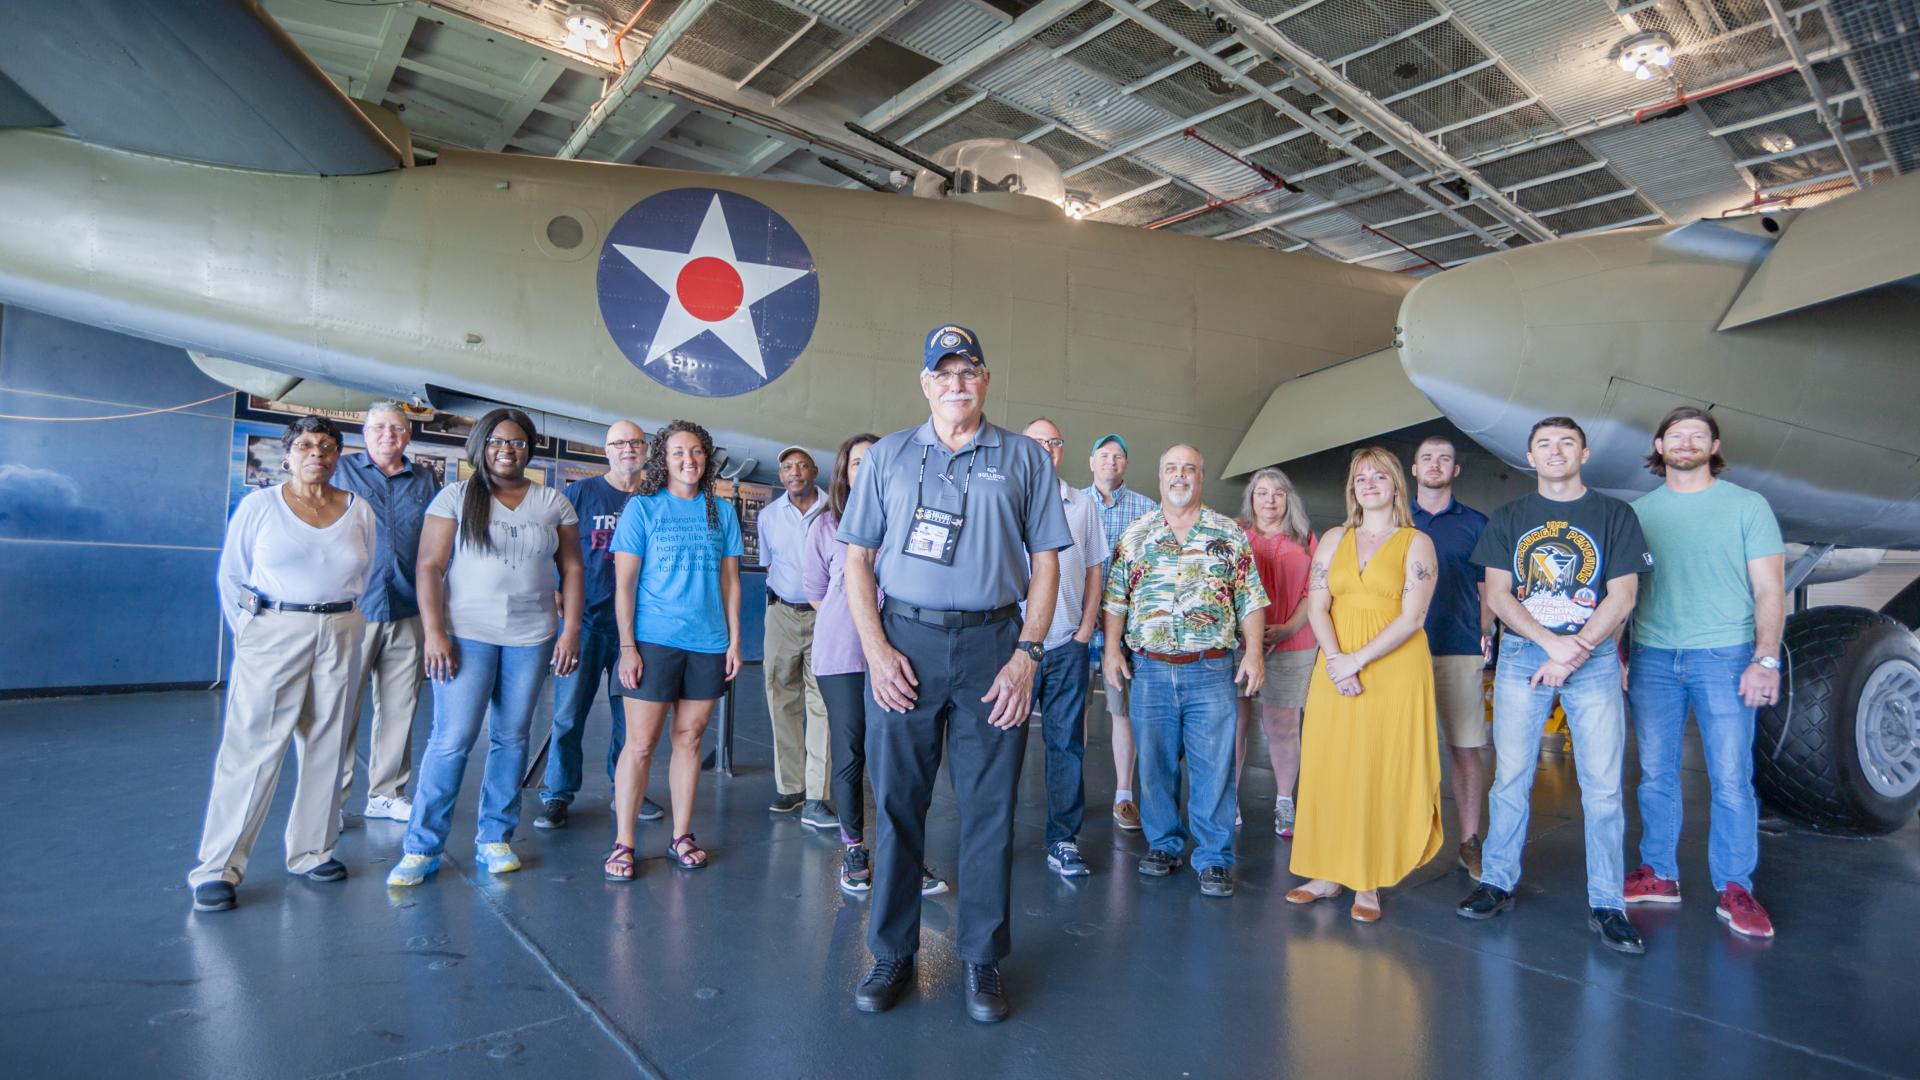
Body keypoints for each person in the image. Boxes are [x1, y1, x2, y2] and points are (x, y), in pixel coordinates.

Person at [839, 324, 1070, 1023]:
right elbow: (856, 559)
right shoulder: (887, 458)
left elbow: (1049, 561)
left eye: (968, 370)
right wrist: (877, 651)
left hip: (992, 645)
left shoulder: (1026, 457)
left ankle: (981, 958)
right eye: (943, 373)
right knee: (900, 804)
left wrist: (1027, 656)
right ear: (925, 384)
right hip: (905, 641)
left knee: (990, 809)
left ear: (986, 379)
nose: (956, 383)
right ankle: (891, 952)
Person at [1457, 417, 1652, 956]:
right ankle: (1496, 881)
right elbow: (1498, 595)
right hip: (1526, 655)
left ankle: (1607, 902)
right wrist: (1551, 644)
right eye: (1544, 444)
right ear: (1530, 457)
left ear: (1584, 453)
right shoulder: (1511, 517)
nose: (1556, 451)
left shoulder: (1614, 515)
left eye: (1567, 442)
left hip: (1588, 659)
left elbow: (1624, 594)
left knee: (1604, 787)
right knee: (1511, 778)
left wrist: (1577, 651)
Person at [388, 408, 584, 886]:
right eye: (497, 441)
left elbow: (574, 569)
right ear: (481, 445)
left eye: (517, 442)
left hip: (531, 638)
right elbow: (430, 567)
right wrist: (435, 632)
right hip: (465, 635)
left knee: (512, 738)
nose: (506, 450)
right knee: (452, 739)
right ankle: (421, 848)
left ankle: (494, 837)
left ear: (529, 449)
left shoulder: (552, 501)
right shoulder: (455, 496)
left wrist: (571, 629)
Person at [190, 415, 376, 912]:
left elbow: (364, 569)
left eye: (329, 445)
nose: (318, 452)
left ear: (339, 456)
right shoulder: (261, 506)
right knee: (253, 748)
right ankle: (219, 868)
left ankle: (313, 851)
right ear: (289, 453)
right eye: (308, 445)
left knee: (328, 744)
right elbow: (232, 577)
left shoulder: (358, 509)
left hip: (340, 629)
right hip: (275, 631)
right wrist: (252, 634)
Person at [1625, 406, 1784, 939]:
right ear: (1659, 444)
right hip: (1652, 655)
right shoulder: (1640, 511)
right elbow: (1625, 592)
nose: (1687, 442)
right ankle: (1660, 875)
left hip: (1725, 655)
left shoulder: (1747, 506)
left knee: (1732, 779)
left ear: (1714, 448)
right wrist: (1622, 655)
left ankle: (1735, 887)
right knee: (1655, 776)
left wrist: (1765, 658)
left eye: (1698, 435)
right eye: (1676, 434)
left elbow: (1769, 589)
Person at [1102, 444, 1266, 899]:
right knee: (1153, 763)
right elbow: (1115, 598)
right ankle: (1163, 844)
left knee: (1214, 766)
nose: (1180, 476)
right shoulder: (1137, 533)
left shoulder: (1228, 533)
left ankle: (1214, 857)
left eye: (1188, 468)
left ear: (1201, 476)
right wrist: (1112, 650)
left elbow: (1250, 598)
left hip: (1210, 669)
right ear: (1160, 478)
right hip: (1150, 670)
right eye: (1171, 468)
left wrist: (1254, 653)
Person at [1285, 447, 1442, 923]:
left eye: (1379, 476)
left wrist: (1357, 660)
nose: (1368, 483)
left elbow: (1413, 617)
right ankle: (1326, 872)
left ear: (1396, 484)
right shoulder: (1334, 538)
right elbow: (1316, 606)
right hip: (1334, 662)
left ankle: (1367, 879)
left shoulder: (1416, 542)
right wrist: (1337, 660)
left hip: (1392, 666)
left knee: (1376, 767)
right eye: (1359, 478)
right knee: (1328, 764)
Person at [804, 433, 951, 897]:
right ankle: (853, 848)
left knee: (901, 758)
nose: (865, 471)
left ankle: (905, 856)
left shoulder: (909, 519)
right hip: (844, 653)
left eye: (874, 463)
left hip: (904, 652)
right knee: (851, 753)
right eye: (856, 464)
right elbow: (816, 592)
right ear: (845, 473)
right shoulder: (826, 525)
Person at [600, 420, 744, 881]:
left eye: (698, 452)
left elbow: (730, 582)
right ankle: (624, 843)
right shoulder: (642, 509)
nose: (690, 460)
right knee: (640, 744)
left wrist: (734, 639)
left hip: (707, 643)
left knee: (690, 740)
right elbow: (624, 586)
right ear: (663, 458)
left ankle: (682, 835)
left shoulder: (720, 511)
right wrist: (628, 647)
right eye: (679, 452)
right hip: (653, 641)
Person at [533, 420, 662, 830]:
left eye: (635, 442)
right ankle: (557, 792)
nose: (628, 449)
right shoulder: (580, 494)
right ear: (606, 450)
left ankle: (626, 790)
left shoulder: (656, 497)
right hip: (586, 623)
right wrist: (556, 589)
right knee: (569, 714)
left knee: (632, 720)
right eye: (619, 443)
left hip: (639, 628)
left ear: (646, 450)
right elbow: (552, 546)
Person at [332, 402, 436, 826]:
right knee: (339, 710)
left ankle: (386, 793)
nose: (387, 434)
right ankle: (329, 803)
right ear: (364, 433)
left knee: (400, 708)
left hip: (409, 608)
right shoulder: (340, 472)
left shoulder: (426, 479)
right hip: (356, 608)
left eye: (397, 428)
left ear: (408, 436)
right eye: (378, 427)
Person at [1022, 418, 1107, 878]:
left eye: (1053, 442)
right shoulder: (1005, 497)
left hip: (1067, 646)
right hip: (1012, 649)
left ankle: (1063, 839)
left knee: (1066, 745)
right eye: (1036, 442)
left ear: (1061, 450)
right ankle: (993, 836)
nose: (1045, 449)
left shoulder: (1082, 505)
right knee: (1000, 745)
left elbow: (1095, 569)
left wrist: (1085, 628)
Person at [1409, 435, 1493, 877]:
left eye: (1445, 458)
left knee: (1464, 749)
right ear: (1414, 469)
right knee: (1403, 752)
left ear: (1456, 470)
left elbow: (1489, 592)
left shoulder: (1477, 524)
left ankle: (1468, 841)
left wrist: (1475, 632)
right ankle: (1404, 839)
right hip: (1402, 655)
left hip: (1457, 652)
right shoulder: (1398, 521)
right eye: (1427, 458)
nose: (1436, 464)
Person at [1234, 467, 1317, 839]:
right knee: (1234, 724)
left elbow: (1315, 592)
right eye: (1262, 493)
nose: (1269, 500)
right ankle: (1227, 800)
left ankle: (1285, 801)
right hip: (1238, 644)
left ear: (1289, 499)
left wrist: (1289, 628)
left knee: (1282, 725)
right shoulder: (1237, 534)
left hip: (1292, 643)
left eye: (1278, 493)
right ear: (1251, 499)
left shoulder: (1306, 539)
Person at [1083, 434, 1157, 831]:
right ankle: (1070, 793)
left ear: (1125, 465)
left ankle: (1124, 795)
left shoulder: (1148, 510)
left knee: (1122, 713)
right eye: (1104, 456)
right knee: (1073, 711)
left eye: (1118, 457)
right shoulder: (1073, 504)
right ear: (1091, 461)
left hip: (1124, 634)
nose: (1111, 462)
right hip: (1079, 627)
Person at [760, 444, 835, 827]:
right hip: (782, 614)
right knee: (781, 697)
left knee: (821, 701)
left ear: (814, 470)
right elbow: (769, 565)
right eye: (788, 467)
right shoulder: (769, 516)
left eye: (802, 465)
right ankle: (791, 788)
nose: (795, 472)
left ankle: (818, 796)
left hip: (825, 617)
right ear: (781, 476)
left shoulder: (834, 512)